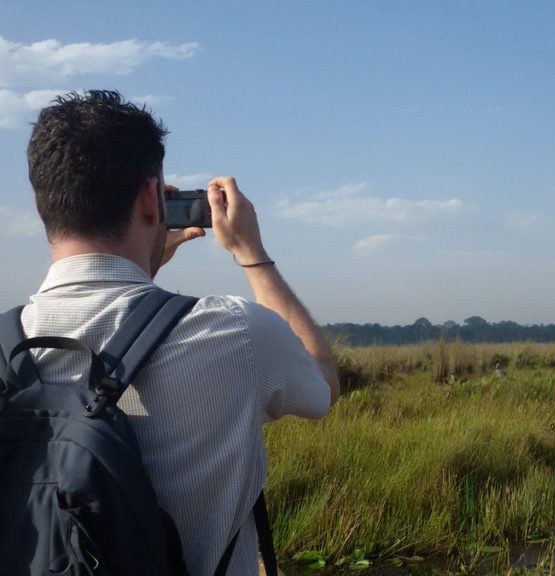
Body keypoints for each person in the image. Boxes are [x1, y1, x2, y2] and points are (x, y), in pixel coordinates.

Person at [21, 90, 340, 575]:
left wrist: (144, 267)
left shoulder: (9, 347)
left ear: (45, 209)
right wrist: (252, 255)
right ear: (153, 199)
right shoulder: (235, 332)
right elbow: (323, 388)